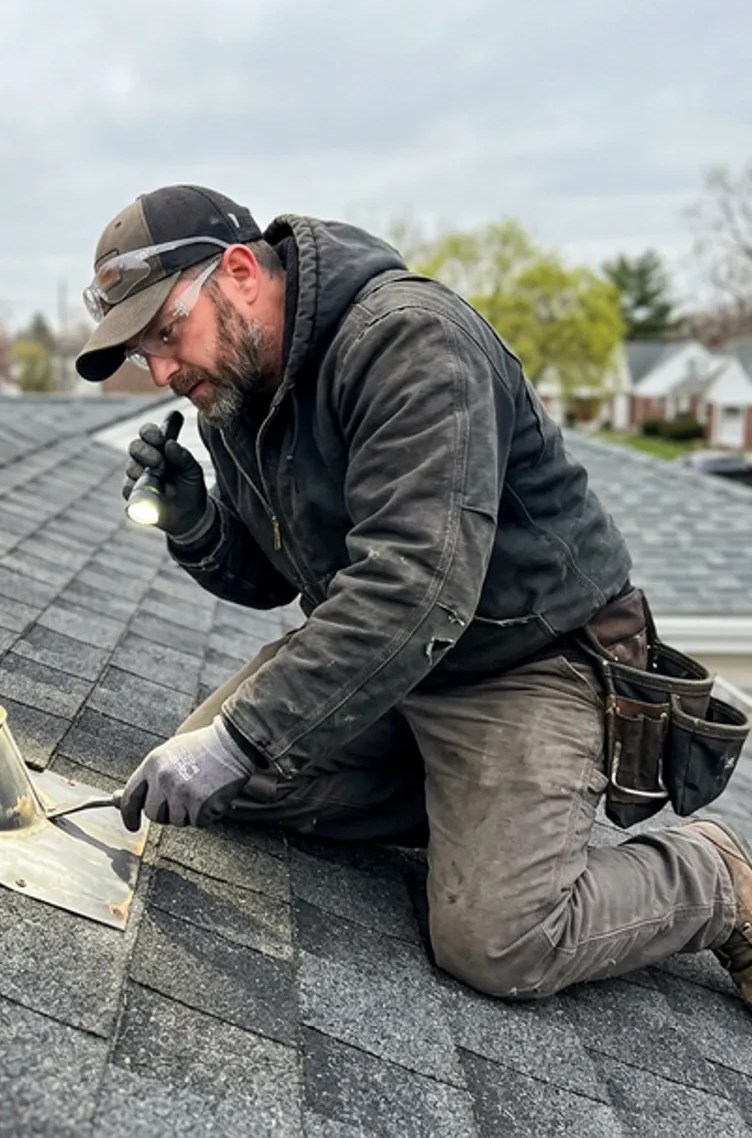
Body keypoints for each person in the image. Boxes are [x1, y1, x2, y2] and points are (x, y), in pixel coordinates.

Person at [74, 184, 752, 1004]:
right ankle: (477, 814)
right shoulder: (239, 389)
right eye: (146, 353)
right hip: (396, 665)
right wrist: (193, 522)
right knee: (215, 780)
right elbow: (276, 576)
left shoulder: (410, 343)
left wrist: (243, 738)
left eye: (167, 333)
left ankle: (716, 874)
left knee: (499, 942)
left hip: (525, 663)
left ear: (243, 272)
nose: (165, 371)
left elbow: (420, 589)